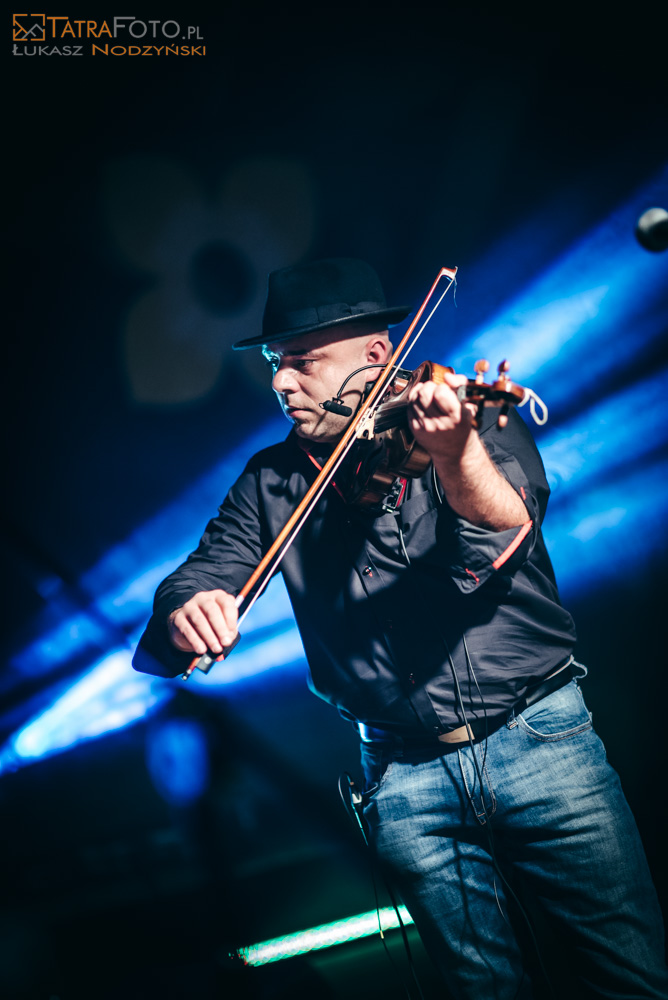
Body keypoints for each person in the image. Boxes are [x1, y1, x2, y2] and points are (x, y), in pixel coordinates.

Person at [134, 258, 668, 999]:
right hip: (402, 777)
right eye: (275, 362)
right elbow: (198, 575)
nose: (282, 382)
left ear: (377, 355)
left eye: (303, 361)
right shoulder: (272, 479)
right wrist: (187, 608)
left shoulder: (475, 421)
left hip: (541, 742)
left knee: (631, 975)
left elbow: (498, 541)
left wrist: (456, 453)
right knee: (482, 991)